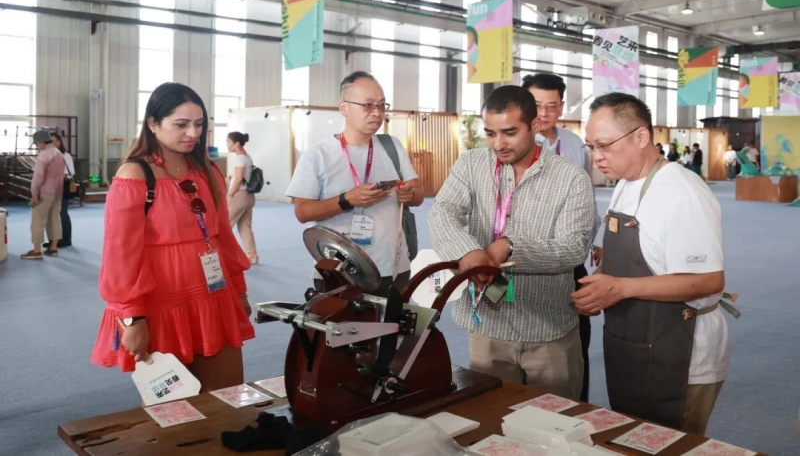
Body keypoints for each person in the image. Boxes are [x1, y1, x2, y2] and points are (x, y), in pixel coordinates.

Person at [574, 92, 729, 435]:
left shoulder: (681, 193)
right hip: (634, 343)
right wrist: (601, 285)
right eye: (591, 147)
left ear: (641, 137)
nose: (597, 157)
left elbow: (707, 282)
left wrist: (622, 287)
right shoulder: (627, 184)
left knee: (670, 441)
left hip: (679, 352)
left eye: (605, 146)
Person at [429, 85, 595, 400]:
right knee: (491, 420)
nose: (498, 144)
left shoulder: (571, 178)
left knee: (555, 426)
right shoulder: (472, 164)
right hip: (487, 325)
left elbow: (572, 248)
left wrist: (511, 245)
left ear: (535, 125)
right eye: (490, 134)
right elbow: (442, 212)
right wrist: (469, 252)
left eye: (509, 132)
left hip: (548, 330)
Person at [90, 82, 254, 393]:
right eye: (181, 124)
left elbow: (224, 239)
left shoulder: (207, 171)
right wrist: (131, 317)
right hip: (162, 308)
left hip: (214, 298)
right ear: (153, 124)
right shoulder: (134, 176)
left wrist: (239, 290)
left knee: (228, 398)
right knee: (173, 413)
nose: (192, 133)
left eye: (199, 124)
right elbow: (121, 256)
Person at [286, 71, 423, 295]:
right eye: (367, 105)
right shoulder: (318, 155)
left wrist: (410, 194)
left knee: (391, 329)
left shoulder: (392, 146)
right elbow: (302, 212)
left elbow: (417, 194)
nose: (377, 113)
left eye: (381, 105)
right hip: (339, 271)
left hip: (393, 268)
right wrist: (347, 200)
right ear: (344, 108)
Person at [522, 72, 597, 403]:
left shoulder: (575, 143)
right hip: (523, 257)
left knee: (577, 340)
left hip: (569, 257)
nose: (544, 113)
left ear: (562, 106)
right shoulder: (509, 143)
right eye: (537, 105)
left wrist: (592, 238)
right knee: (526, 337)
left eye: (552, 106)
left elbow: (588, 196)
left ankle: (576, 406)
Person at [22, 130, 65, 260]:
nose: (37, 146)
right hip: (58, 191)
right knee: (54, 219)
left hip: (45, 192)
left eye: (36, 144)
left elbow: (38, 176)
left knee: (38, 220)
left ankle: (36, 251)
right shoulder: (58, 154)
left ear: (41, 142)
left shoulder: (44, 155)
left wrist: (34, 194)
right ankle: (53, 248)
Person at [226, 131, 257, 264]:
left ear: (237, 144)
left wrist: (230, 193)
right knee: (245, 226)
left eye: (229, 143)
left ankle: (221, 254)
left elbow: (238, 178)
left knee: (225, 225)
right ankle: (252, 255)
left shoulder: (239, 158)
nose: (227, 146)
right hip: (249, 196)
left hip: (239, 195)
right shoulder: (247, 157)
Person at [45, 132, 74, 248]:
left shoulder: (65, 155)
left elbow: (68, 173)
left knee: (62, 213)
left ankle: (66, 240)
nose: (55, 143)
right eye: (51, 141)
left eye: (57, 140)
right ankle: (53, 240)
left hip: (61, 187)